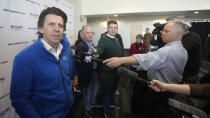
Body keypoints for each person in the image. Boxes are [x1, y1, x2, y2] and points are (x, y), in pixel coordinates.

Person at [104, 21, 188, 118]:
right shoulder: (182, 48)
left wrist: (121, 60)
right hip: (168, 89)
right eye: (162, 30)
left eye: (166, 31)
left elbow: (147, 59)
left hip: (159, 92)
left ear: (177, 33)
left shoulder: (169, 50)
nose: (162, 33)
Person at [10, 7, 77, 118]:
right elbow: (19, 100)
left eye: (60, 25)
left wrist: (75, 76)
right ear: (40, 28)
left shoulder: (65, 50)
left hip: (69, 110)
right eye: (51, 24)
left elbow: (69, 71)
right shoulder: (24, 58)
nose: (57, 29)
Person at [95, 20, 123, 118]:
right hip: (106, 72)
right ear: (107, 28)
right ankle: (107, 111)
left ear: (117, 29)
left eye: (115, 28)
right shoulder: (103, 39)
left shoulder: (116, 39)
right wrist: (96, 52)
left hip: (116, 71)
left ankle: (110, 103)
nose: (113, 29)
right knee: (107, 91)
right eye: (111, 27)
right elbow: (99, 50)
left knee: (113, 89)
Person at [75, 25, 98, 118]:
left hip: (94, 72)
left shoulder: (92, 43)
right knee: (87, 93)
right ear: (82, 35)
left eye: (91, 33)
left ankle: (92, 107)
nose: (90, 35)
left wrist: (94, 56)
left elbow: (91, 57)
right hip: (86, 74)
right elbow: (82, 60)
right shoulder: (81, 45)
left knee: (94, 91)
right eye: (87, 33)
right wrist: (91, 56)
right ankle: (87, 111)